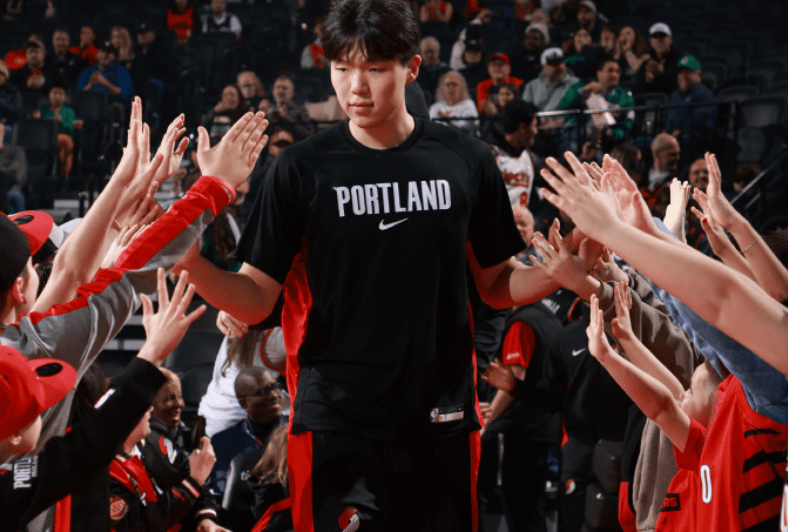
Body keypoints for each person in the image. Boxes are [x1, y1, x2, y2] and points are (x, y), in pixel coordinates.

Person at [175, 1, 590, 529]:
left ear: (410, 67)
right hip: (336, 417)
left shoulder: (467, 159)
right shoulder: (299, 168)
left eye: (374, 68)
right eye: (341, 68)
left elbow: (495, 284)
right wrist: (189, 262)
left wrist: (557, 272)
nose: (356, 87)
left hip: (441, 412)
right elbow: (256, 299)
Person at [2, 100, 269, 532]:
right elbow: (106, 274)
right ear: (20, 287)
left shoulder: (30, 337)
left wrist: (127, 186)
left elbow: (71, 270)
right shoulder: (31, 352)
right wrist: (213, 187)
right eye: (34, 264)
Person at [0, 263, 206, 531]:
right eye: (39, 406)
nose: (50, 407)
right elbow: (89, 443)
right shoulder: (9, 493)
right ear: (15, 434)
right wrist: (152, 353)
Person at [209, 367, 284, 494]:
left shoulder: (297, 430)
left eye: (275, 387)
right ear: (244, 403)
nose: (273, 395)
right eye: (263, 392)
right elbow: (222, 489)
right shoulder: (222, 442)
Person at [557, 57, 635, 145]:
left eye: (618, 71)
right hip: (577, 134)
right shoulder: (584, 84)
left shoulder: (625, 96)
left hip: (605, 141)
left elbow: (627, 124)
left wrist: (610, 133)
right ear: (599, 74)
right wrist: (585, 90)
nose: (615, 75)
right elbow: (563, 105)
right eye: (610, 71)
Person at [488, 99, 543, 210]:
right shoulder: (488, 155)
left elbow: (557, 182)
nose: (536, 131)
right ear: (522, 127)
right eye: (534, 126)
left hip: (522, 220)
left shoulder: (532, 159)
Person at [664, 55, 717, 156]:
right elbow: (666, 116)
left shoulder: (704, 94)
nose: (683, 76)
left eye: (688, 72)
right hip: (674, 137)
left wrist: (678, 132)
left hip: (696, 139)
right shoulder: (674, 95)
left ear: (699, 75)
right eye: (681, 73)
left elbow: (699, 121)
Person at [34, 83, 76, 176]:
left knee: (65, 140)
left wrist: (60, 121)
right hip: (42, 137)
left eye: (60, 93)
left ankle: (62, 173)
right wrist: (36, 118)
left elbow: (70, 128)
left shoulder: (69, 111)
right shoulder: (43, 109)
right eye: (54, 93)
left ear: (66, 97)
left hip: (60, 136)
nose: (57, 96)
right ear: (49, 95)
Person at [76, 40, 133, 106]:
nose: (105, 55)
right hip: (90, 106)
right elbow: (78, 97)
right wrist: (90, 84)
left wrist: (103, 82)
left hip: (111, 107)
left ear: (114, 56)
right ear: (97, 54)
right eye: (102, 51)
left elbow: (125, 95)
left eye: (108, 53)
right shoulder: (87, 71)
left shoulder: (121, 71)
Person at [521, 47, 578, 112]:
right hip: (540, 118)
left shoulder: (576, 83)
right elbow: (525, 112)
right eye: (553, 63)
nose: (558, 66)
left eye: (560, 62)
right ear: (543, 67)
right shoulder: (532, 86)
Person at [428, 70, 479, 136]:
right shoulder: (436, 107)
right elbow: (430, 127)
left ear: (462, 88)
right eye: (448, 84)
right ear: (442, 88)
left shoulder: (468, 104)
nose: (451, 87)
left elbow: (469, 128)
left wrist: (448, 121)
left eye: (454, 84)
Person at [634, 22, 680, 95]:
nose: (659, 40)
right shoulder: (646, 63)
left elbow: (681, 88)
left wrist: (661, 75)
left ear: (671, 39)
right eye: (655, 37)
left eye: (662, 36)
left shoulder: (680, 61)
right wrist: (648, 80)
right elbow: (637, 91)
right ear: (650, 41)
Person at [416, 36, 450, 101]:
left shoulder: (447, 72)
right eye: (426, 52)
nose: (429, 55)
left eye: (432, 51)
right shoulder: (415, 71)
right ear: (421, 54)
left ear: (438, 52)